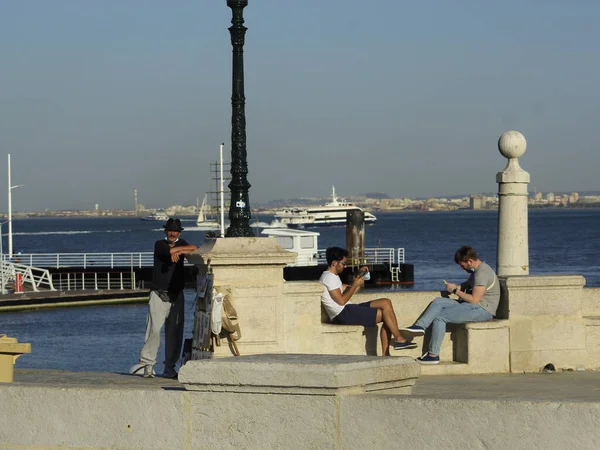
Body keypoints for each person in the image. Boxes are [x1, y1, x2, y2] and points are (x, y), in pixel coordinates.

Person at [400, 246, 500, 365]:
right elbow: (467, 284)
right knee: (438, 301)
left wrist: (455, 291)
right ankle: (420, 326)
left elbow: (474, 300)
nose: (462, 269)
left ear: (470, 261)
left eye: (462, 266)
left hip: (483, 310)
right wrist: (457, 287)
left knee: (440, 317)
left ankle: (433, 355)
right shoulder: (477, 270)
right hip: (475, 306)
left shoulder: (482, 273)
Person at [319, 246, 416, 356]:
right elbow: (341, 301)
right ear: (334, 263)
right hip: (342, 313)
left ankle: (396, 342)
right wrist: (355, 284)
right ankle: (393, 345)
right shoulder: (328, 277)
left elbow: (351, 289)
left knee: (386, 302)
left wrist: (359, 276)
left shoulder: (333, 276)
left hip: (348, 308)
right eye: (343, 263)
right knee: (386, 315)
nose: (345, 267)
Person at [139, 218, 198, 378]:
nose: (173, 233)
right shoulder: (160, 244)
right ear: (166, 231)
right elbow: (170, 251)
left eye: (176, 231)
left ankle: (169, 368)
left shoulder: (182, 243)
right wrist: (178, 250)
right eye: (170, 231)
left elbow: (195, 248)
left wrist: (179, 250)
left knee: (175, 332)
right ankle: (147, 365)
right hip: (158, 293)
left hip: (177, 294)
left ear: (179, 233)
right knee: (154, 331)